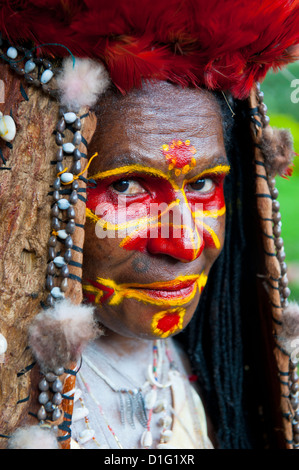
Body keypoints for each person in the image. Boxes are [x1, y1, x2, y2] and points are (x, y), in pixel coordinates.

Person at [0, 0, 299, 450]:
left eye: (202, 184)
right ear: (38, 188)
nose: (184, 243)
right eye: (125, 188)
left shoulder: (230, 379)